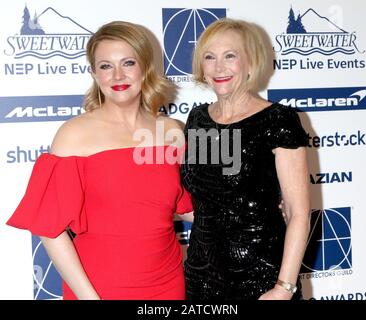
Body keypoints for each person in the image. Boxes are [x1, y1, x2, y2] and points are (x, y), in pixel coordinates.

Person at [6, 21, 193, 300]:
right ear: (94, 73)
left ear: (145, 67)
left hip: (169, 283)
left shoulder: (171, 131)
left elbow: (192, 208)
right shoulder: (74, 135)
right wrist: (89, 297)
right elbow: (51, 231)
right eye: (106, 66)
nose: (118, 75)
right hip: (99, 288)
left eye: (128, 62)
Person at [181, 18, 310, 300]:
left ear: (251, 62)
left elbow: (298, 213)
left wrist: (283, 288)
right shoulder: (198, 120)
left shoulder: (278, 121)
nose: (219, 67)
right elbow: (208, 200)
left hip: (261, 280)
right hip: (201, 277)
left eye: (230, 56)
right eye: (209, 57)